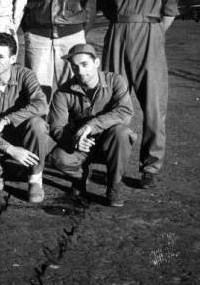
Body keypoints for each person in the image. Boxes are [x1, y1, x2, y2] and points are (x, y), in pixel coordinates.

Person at [97, 0, 180, 187]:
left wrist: (152, 34)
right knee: (111, 99)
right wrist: (127, 28)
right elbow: (108, 8)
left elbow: (169, 11)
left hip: (150, 36)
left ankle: (151, 167)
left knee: (154, 105)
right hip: (118, 34)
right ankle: (111, 160)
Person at [47, 43, 135, 207]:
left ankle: (114, 185)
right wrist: (74, 141)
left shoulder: (115, 81)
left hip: (110, 144)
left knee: (122, 132)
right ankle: (80, 178)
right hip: (80, 146)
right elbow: (56, 127)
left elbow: (125, 112)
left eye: (85, 64)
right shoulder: (62, 93)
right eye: (75, 66)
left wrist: (92, 125)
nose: (80, 71)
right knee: (57, 158)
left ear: (96, 62)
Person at [0, 32, 50, 203]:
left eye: (0, 56)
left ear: (13, 59)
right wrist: (8, 148)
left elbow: (41, 105)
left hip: (22, 132)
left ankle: (35, 179)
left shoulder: (25, 75)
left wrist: (5, 119)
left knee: (38, 124)